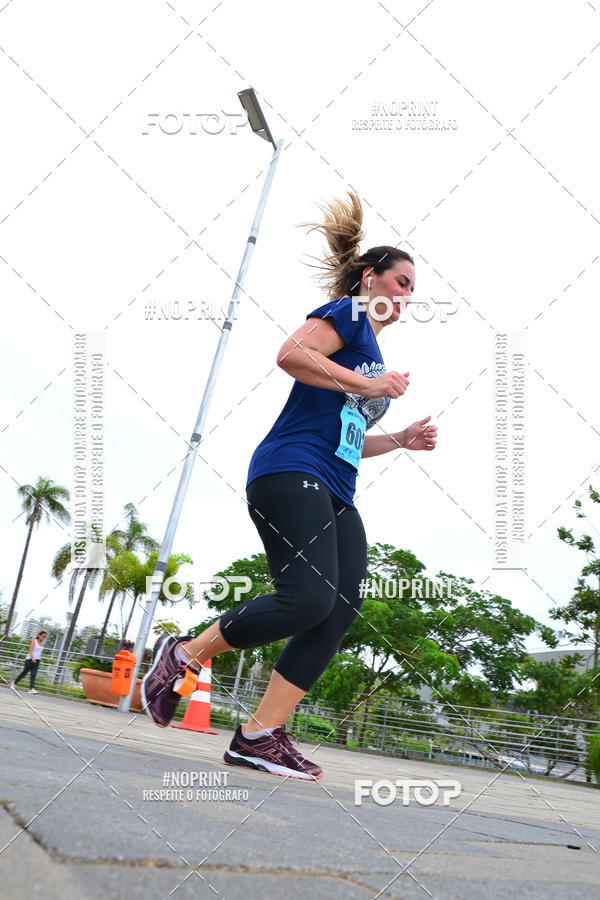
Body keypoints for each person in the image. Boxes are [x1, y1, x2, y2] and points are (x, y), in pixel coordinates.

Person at [142, 190, 437, 779]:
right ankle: (183, 654)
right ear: (368, 277)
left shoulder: (368, 347)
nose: (406, 297)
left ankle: (259, 734)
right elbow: (291, 354)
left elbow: (348, 437)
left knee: (336, 608)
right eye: (400, 282)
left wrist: (398, 438)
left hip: (335, 482)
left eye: (412, 290)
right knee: (305, 598)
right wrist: (370, 384)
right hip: (289, 470)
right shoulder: (349, 314)